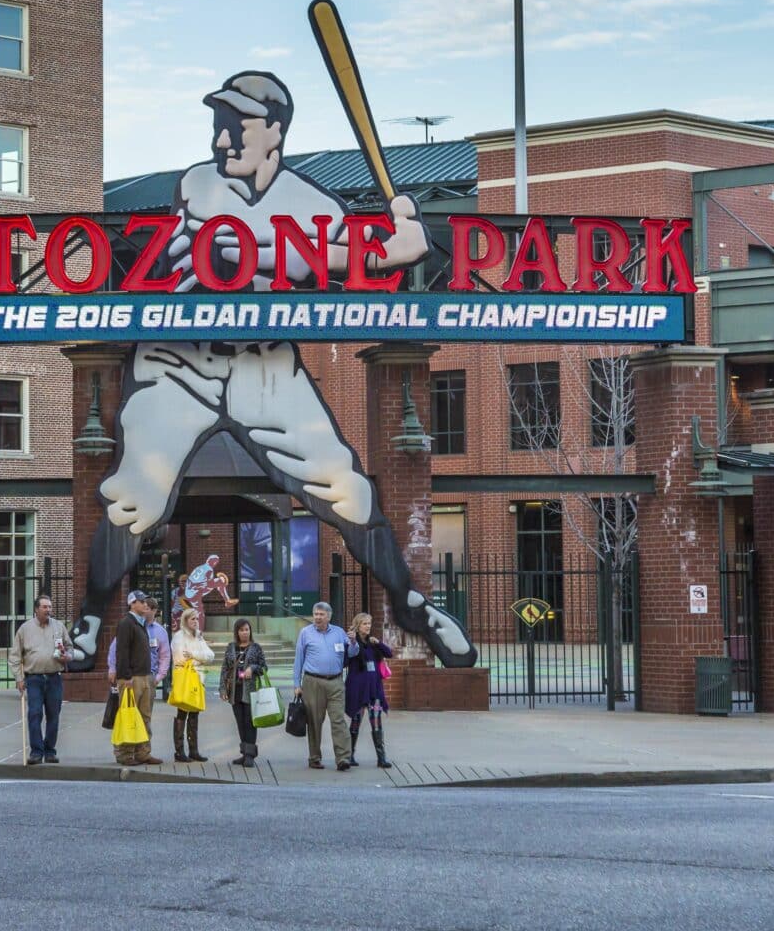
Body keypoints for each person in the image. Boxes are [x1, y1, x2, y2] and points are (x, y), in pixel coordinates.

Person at [65, 73, 476, 676]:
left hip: (266, 364)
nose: (224, 139)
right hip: (183, 358)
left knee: (348, 488)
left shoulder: (317, 205)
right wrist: (387, 251)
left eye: (240, 126)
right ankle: (92, 619)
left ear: (276, 131)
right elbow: (248, 255)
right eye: (220, 124)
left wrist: (393, 245)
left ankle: (416, 607)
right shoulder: (199, 184)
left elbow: (335, 261)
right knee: (136, 497)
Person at [292, 601, 354, 770]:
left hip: (335, 681)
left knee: (338, 720)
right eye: (315, 614)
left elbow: (352, 653)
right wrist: (297, 684)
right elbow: (299, 659)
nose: (317, 617)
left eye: (321, 614)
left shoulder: (339, 633)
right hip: (313, 682)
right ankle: (314, 758)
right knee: (314, 721)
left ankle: (343, 758)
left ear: (329, 616)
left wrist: (354, 643)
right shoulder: (305, 633)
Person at [12, 595, 71, 764]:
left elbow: (69, 647)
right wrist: (19, 678)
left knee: (54, 715)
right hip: (34, 679)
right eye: (44, 607)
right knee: (35, 714)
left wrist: (68, 656)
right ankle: (36, 752)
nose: (48, 610)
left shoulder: (59, 627)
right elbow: (15, 656)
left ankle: (50, 750)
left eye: (50, 607)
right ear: (36, 609)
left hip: (54, 678)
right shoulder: (25, 629)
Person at [109, 590, 160, 766]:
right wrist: (126, 676)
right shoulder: (126, 623)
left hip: (145, 676)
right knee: (129, 716)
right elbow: (121, 651)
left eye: (146, 601)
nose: (145, 604)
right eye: (141, 601)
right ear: (132, 604)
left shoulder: (141, 623)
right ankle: (124, 754)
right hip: (132, 679)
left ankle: (143, 752)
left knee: (144, 716)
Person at [344, 612, 395, 769]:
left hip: (374, 690)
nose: (368, 626)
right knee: (356, 721)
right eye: (365, 623)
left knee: (376, 721)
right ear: (358, 625)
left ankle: (381, 758)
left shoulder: (373, 643)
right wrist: (352, 643)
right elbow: (345, 661)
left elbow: (389, 653)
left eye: (369, 624)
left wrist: (378, 643)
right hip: (358, 690)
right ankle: (349, 755)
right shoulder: (352, 643)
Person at [169, 606, 215, 762]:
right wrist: (198, 659)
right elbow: (181, 658)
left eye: (197, 618)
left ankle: (193, 750)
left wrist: (194, 655)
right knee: (182, 712)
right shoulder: (179, 636)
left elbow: (211, 656)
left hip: (198, 679)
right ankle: (179, 751)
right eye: (192, 619)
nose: (196, 621)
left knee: (195, 713)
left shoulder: (199, 637)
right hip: (185, 680)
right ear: (185, 620)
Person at [220, 617, 266, 768]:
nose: (245, 633)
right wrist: (222, 689)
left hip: (250, 691)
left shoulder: (256, 648)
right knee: (240, 723)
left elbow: (264, 667)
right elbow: (225, 669)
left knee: (250, 722)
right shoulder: (231, 647)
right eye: (241, 630)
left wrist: (252, 668)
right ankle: (244, 752)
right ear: (237, 632)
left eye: (247, 629)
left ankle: (250, 755)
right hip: (235, 691)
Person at [175, 554, 239, 623]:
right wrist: (221, 581)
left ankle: (227, 601)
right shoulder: (209, 569)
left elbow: (193, 580)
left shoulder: (199, 567)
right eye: (215, 562)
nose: (215, 563)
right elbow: (209, 583)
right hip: (196, 591)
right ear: (212, 561)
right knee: (221, 580)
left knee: (199, 612)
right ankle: (227, 601)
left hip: (190, 592)